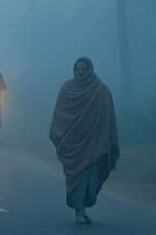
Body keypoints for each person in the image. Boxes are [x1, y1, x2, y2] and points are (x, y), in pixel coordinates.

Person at [49, 56, 120, 224]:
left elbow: (108, 117)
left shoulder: (101, 90)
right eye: (77, 69)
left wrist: (106, 140)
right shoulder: (67, 89)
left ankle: (83, 207)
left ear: (90, 70)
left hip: (95, 143)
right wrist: (63, 137)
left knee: (91, 178)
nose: (80, 72)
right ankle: (79, 212)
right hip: (73, 144)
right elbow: (60, 115)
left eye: (83, 69)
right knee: (77, 178)